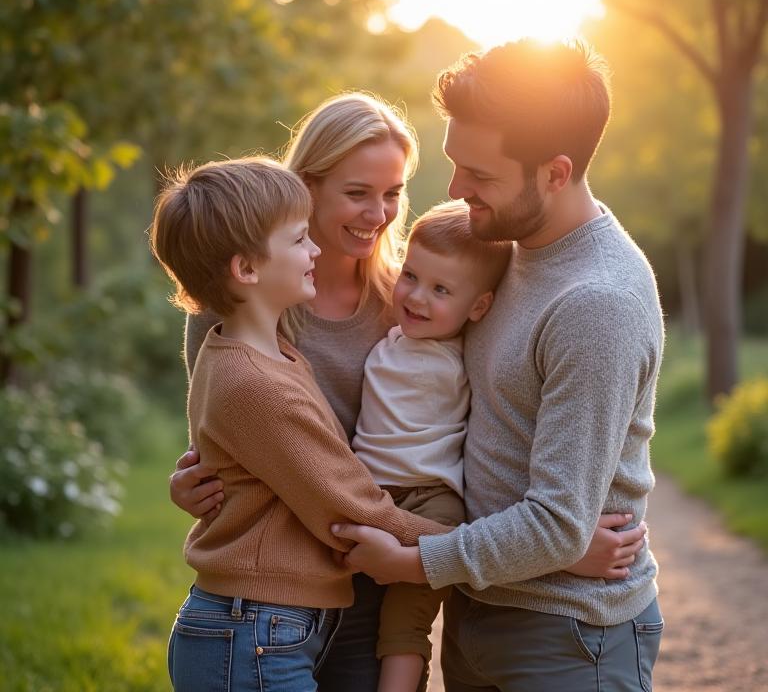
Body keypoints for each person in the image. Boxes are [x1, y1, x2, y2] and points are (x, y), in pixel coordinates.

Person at [169, 91, 648, 691]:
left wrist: (545, 543)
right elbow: (226, 436)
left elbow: (479, 429)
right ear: (306, 186)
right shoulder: (240, 305)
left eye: (393, 193)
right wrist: (192, 479)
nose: (378, 213)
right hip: (285, 577)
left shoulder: (408, 303)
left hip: (376, 568)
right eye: (357, 193)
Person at [332, 39, 666, 692]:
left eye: (479, 175)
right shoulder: (498, 252)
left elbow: (556, 525)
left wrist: (413, 562)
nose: (457, 190)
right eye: (458, 165)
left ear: (555, 172)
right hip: (480, 612)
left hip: (567, 634)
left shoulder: (596, 302)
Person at [149, 156, 448, 692]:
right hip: (252, 632)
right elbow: (354, 506)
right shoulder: (255, 384)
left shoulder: (274, 354)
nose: (314, 250)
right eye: (298, 240)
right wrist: (489, 552)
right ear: (246, 269)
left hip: (272, 626)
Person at [352, 199, 512, 692]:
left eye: (441, 289)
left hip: (432, 502)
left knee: (405, 623)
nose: (418, 297)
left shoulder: (467, 353)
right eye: (411, 276)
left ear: (478, 307)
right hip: (369, 493)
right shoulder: (390, 333)